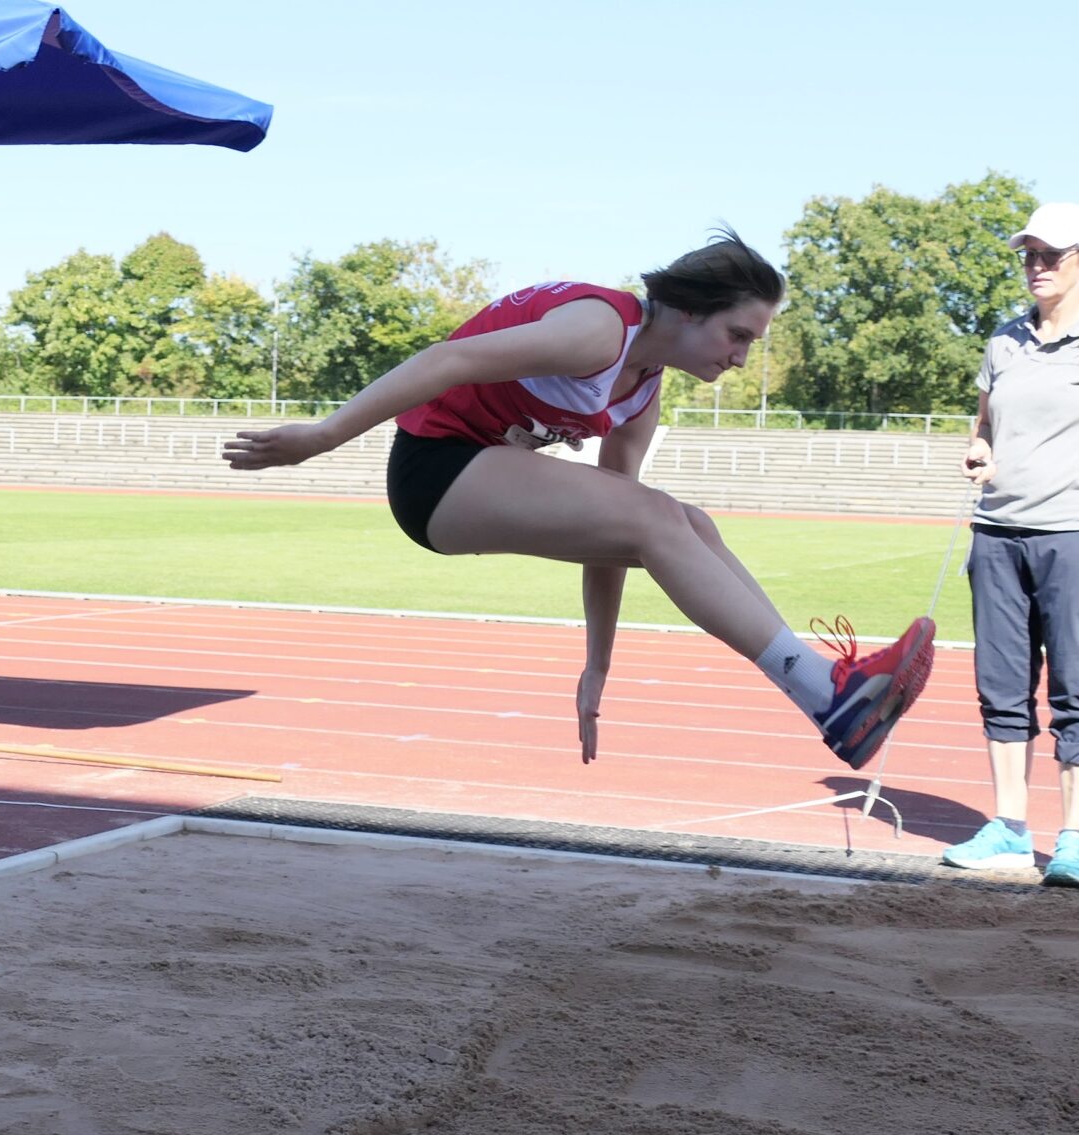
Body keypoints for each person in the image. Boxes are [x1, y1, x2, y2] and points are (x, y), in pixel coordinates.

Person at [224, 231, 936, 772]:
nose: (742, 357)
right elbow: (447, 360)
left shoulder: (643, 392)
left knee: (686, 521)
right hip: (435, 470)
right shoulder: (600, 328)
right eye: (738, 335)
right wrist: (323, 436)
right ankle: (828, 694)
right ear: (687, 311)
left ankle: (824, 696)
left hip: (483, 468)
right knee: (658, 514)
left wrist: (598, 663)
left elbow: (621, 538)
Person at [941, 202, 1079, 885]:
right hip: (996, 533)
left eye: (1050, 255)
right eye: (1028, 254)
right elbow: (985, 429)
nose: (1036, 266)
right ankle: (1010, 828)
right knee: (1002, 687)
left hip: (1071, 537)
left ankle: (1075, 838)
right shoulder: (1003, 341)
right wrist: (979, 451)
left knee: (1075, 692)